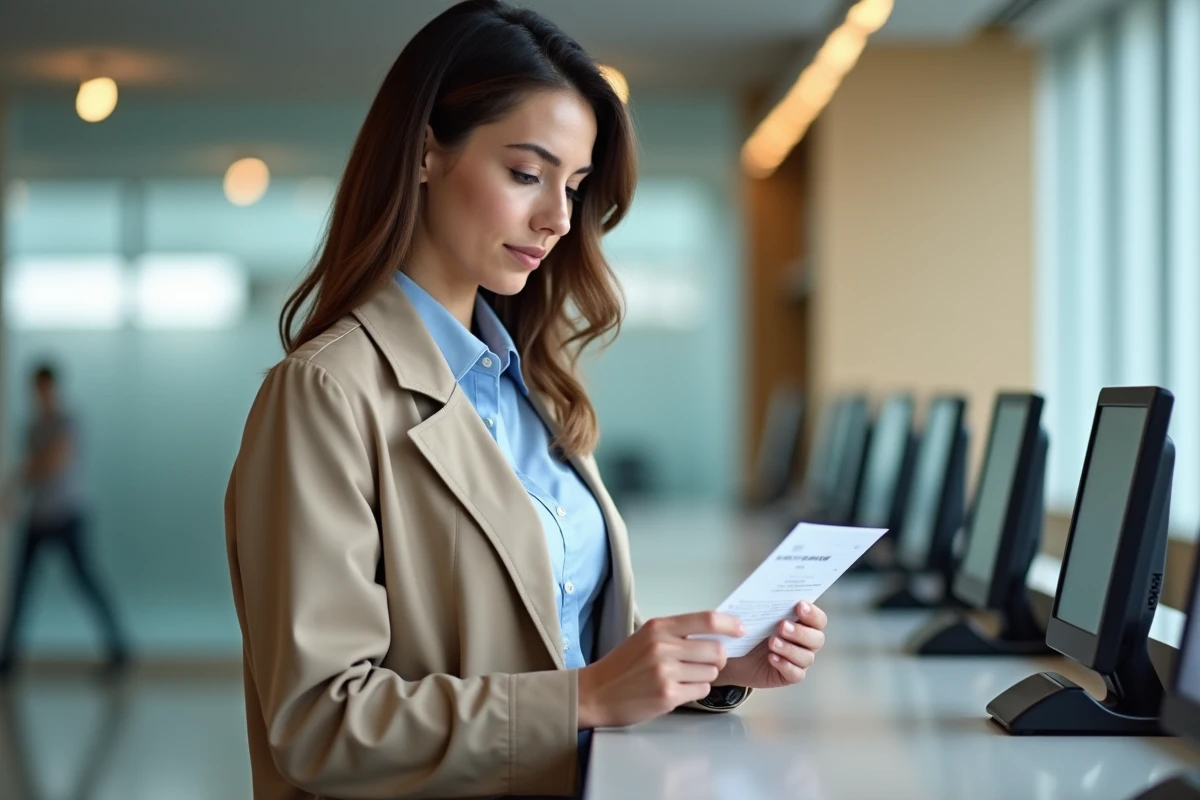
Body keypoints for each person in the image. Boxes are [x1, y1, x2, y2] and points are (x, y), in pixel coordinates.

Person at [224, 2, 829, 798]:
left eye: (574, 186)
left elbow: (558, 644)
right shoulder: (325, 394)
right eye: (525, 173)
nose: (557, 219)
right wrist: (587, 697)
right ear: (424, 153)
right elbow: (321, 723)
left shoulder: (529, 383)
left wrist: (710, 662)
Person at [0, 363, 128, 678]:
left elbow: (56, 460)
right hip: (39, 517)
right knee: (21, 589)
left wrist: (20, 475)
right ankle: (9, 660)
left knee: (86, 583)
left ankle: (119, 652)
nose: (40, 394)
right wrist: (16, 491)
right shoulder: (32, 427)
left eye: (45, 387)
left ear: (54, 387)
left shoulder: (69, 421)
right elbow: (38, 469)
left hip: (68, 515)